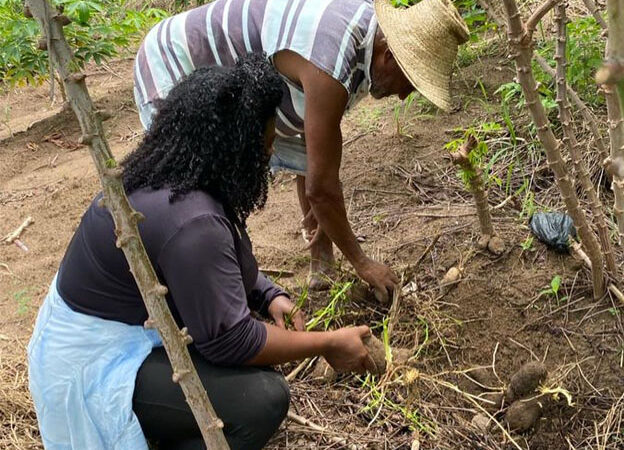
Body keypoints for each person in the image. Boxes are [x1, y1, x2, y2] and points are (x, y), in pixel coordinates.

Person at [27, 55, 379, 450]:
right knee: (260, 400)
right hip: (92, 368)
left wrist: (268, 293)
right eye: (265, 146)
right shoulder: (192, 221)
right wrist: (327, 342)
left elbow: (211, 267)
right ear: (234, 149)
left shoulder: (172, 176)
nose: (270, 153)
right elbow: (232, 342)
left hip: (102, 338)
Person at [133, 0, 469, 298]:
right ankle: (217, 295)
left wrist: (328, 232)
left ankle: (320, 266)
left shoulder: (364, 40)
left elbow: (310, 148)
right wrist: (362, 263)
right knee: (203, 188)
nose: (403, 96)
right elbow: (322, 189)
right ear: (388, 56)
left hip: (226, 67)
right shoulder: (331, 63)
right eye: (409, 82)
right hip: (176, 61)